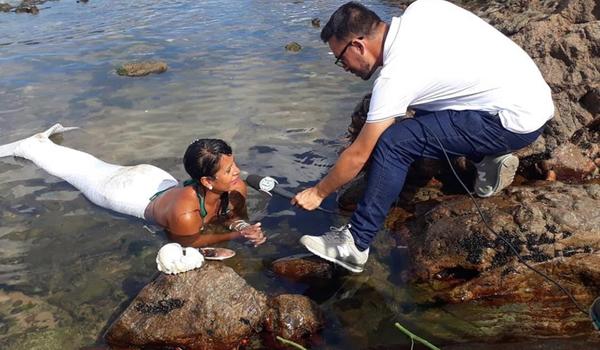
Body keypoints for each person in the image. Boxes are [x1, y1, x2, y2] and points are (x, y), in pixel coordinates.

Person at [291, 0, 554, 273]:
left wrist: (317, 192)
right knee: (421, 105)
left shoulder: (395, 78)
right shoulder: (423, 9)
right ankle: (485, 160)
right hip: (532, 99)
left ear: (358, 45)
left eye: (340, 58)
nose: (342, 66)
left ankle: (356, 243)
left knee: (394, 143)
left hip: (511, 123)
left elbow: (359, 154)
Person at [0, 123, 266, 248]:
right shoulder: (185, 214)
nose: (238, 172)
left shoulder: (236, 188)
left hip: (157, 179)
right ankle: (30, 147)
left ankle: (44, 144)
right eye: (229, 170)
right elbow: (189, 241)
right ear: (207, 181)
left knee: (94, 165)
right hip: (129, 195)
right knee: (79, 172)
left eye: (234, 165)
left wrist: (244, 227)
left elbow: (232, 217)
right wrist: (235, 236)